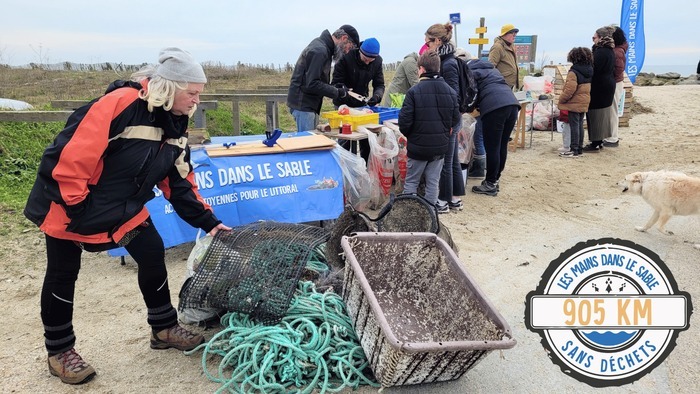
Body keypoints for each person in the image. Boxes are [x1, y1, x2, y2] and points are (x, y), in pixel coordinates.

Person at [23, 48, 232, 385]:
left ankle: (163, 327)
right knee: (63, 273)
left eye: (198, 94)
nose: (196, 101)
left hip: (124, 209)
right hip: (70, 206)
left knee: (151, 250)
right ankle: (59, 352)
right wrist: (78, 209)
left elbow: (179, 181)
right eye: (191, 92)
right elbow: (70, 155)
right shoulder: (120, 103)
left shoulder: (176, 124)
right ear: (170, 86)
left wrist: (209, 222)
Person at [398, 50, 460, 210]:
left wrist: (411, 135)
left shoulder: (413, 92)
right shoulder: (450, 92)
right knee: (433, 182)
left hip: (417, 147)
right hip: (439, 147)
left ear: (422, 69)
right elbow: (455, 119)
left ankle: (410, 214)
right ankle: (430, 214)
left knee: (411, 181)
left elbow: (404, 122)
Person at [287, 25, 360, 132]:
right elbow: (312, 84)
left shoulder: (324, 48)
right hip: (304, 105)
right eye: (350, 47)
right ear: (344, 38)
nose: (347, 51)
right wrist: (337, 92)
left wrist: (336, 87)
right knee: (307, 145)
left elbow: (316, 80)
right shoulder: (320, 51)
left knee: (310, 142)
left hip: (308, 105)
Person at [425, 22, 464, 213]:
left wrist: (448, 122)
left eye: (428, 42)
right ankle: (455, 198)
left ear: (437, 41)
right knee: (453, 160)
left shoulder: (447, 64)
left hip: (449, 119)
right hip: (453, 119)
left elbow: (453, 96)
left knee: (444, 161)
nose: (426, 46)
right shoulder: (450, 59)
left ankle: (442, 200)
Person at [467, 59, 521, 196]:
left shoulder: (471, 73)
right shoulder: (493, 71)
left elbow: (471, 95)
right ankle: (495, 179)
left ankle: (490, 183)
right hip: (512, 104)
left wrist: (468, 108)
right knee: (502, 145)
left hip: (494, 108)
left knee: (492, 147)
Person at [331, 37, 385, 163]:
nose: (367, 63)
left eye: (370, 61)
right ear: (360, 51)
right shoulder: (346, 58)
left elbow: (379, 84)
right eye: (365, 59)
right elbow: (335, 83)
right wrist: (342, 89)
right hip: (343, 104)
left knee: (366, 139)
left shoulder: (377, 62)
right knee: (345, 139)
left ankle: (364, 170)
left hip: (362, 104)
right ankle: (345, 169)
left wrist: (377, 96)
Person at [583, 27, 616, 152]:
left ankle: (595, 142)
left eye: (594, 37)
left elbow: (594, 69)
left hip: (600, 86)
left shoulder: (601, 52)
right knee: (601, 113)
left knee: (595, 113)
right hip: (606, 85)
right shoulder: (609, 50)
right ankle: (599, 141)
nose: (593, 40)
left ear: (601, 38)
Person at [558, 47, 593, 157]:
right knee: (580, 125)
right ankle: (579, 148)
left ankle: (574, 149)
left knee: (574, 125)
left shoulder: (574, 72)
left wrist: (562, 99)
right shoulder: (589, 70)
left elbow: (570, 89)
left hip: (574, 102)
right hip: (584, 101)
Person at [603, 26, 628, 147]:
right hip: (615, 82)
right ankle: (610, 136)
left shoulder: (617, 52)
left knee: (612, 110)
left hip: (615, 83)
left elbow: (618, 69)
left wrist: (608, 77)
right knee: (611, 110)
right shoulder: (618, 50)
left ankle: (612, 137)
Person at [489, 24, 520, 91]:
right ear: (504, 34)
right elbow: (491, 66)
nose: (514, 35)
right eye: (512, 33)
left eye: (515, 33)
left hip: (510, 85)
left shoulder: (511, 46)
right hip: (501, 85)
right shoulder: (497, 47)